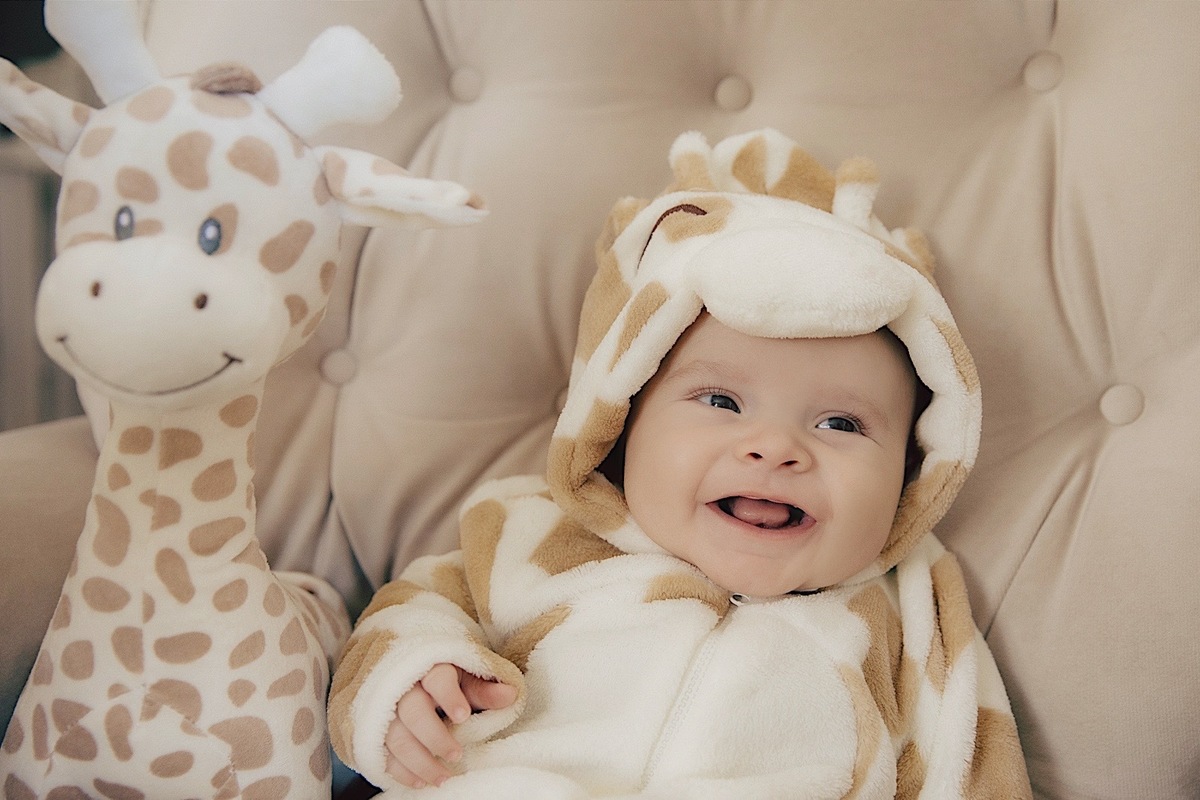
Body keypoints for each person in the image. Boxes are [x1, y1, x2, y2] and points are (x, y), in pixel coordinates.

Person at [328, 128, 1032, 799]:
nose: (776, 448)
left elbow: (968, 767)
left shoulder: (913, 608)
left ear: (913, 469)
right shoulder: (526, 533)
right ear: (622, 420)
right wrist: (407, 685)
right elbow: (403, 614)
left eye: (841, 422)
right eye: (721, 400)